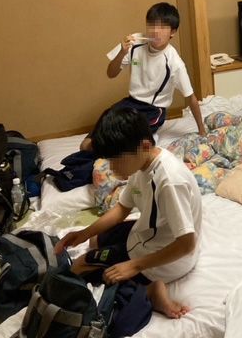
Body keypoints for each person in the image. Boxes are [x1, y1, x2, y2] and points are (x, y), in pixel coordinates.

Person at [55, 107, 202, 319]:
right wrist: (83, 234)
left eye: (117, 161)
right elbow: (122, 209)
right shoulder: (144, 162)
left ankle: (151, 291)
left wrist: (134, 266)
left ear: (144, 146)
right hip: (150, 234)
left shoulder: (169, 181)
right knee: (94, 241)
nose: (113, 168)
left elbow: (187, 244)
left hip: (167, 257)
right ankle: (134, 272)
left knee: (80, 266)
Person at [81, 2, 205, 151]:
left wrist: (202, 130)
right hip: (130, 103)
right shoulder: (135, 42)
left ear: (172, 32)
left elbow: (191, 98)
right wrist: (122, 53)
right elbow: (111, 74)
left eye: (162, 27)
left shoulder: (174, 62)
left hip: (153, 110)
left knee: (121, 142)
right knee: (86, 145)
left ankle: (145, 139)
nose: (155, 31)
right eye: (151, 25)